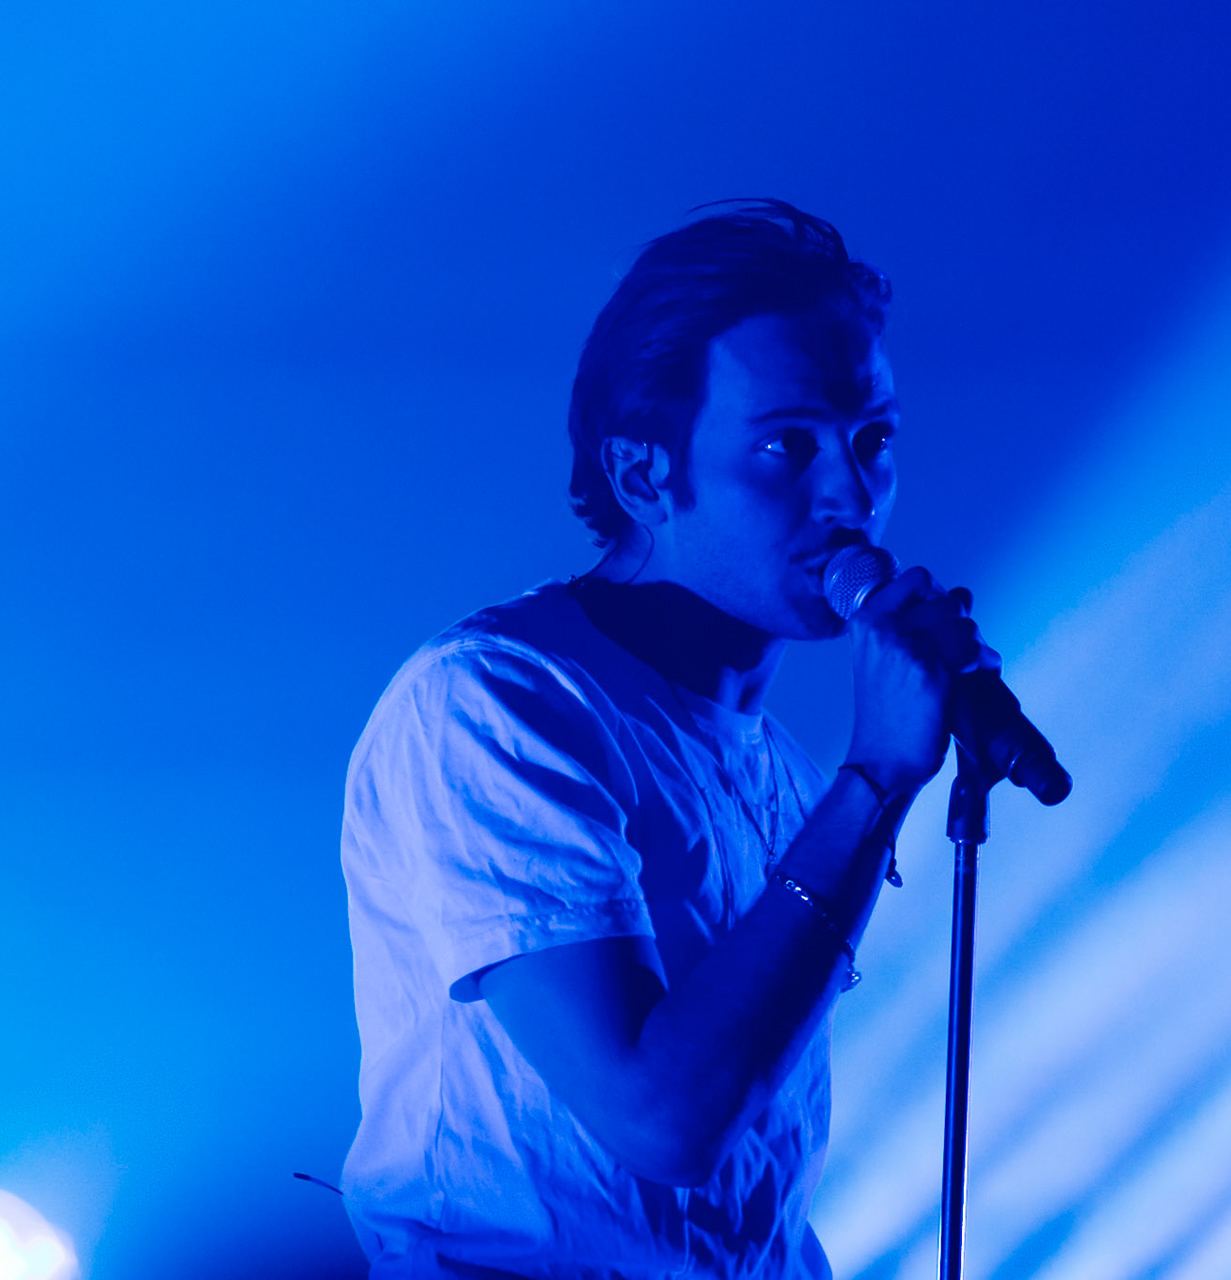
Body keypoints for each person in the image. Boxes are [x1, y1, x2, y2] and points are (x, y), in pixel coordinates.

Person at [339, 202, 991, 1278]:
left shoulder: (780, 772)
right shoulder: (494, 701)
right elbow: (663, 1120)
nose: (850, 493)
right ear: (645, 474)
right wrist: (875, 778)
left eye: (871, 439)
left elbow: (742, 1188)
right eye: (787, 444)